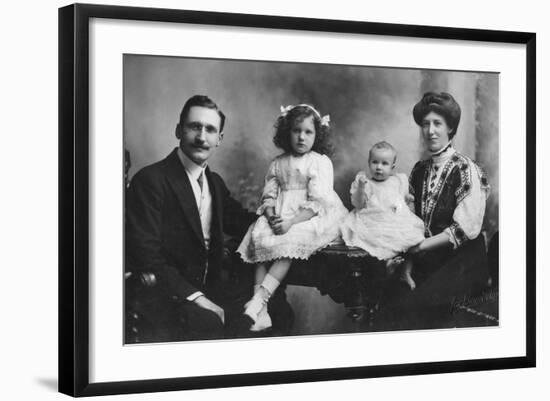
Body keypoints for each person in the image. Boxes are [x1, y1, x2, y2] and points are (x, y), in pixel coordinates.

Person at [125, 95, 260, 342]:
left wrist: (295, 220)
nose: (201, 137)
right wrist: (198, 299)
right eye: (194, 127)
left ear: (219, 139)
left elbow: (243, 222)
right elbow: (145, 254)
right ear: (178, 130)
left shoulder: (215, 184)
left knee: (271, 310)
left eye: (210, 130)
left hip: (213, 290)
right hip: (167, 296)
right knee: (208, 323)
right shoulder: (151, 180)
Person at [381, 91, 491, 329]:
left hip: (462, 262)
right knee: (387, 301)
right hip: (427, 260)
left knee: (417, 311)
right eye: (425, 124)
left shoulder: (466, 169)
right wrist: (407, 265)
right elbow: (412, 225)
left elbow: (465, 230)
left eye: (437, 124)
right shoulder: (419, 170)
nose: (430, 131)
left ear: (450, 128)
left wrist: (418, 248)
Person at [237, 104, 348, 331]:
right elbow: (268, 197)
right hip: (280, 215)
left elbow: (318, 202)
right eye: (296, 130)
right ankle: (262, 314)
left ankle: (259, 300)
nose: (301, 137)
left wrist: (290, 223)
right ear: (287, 132)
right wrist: (271, 217)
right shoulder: (278, 163)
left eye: (308, 132)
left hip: (309, 217)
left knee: (288, 242)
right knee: (259, 238)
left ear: (317, 135)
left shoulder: (319, 162)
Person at [340, 141, 425, 289]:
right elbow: (358, 204)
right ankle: (388, 265)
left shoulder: (397, 181)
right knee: (378, 240)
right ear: (369, 163)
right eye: (375, 162)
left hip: (393, 219)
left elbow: (399, 201)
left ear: (392, 167)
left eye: (384, 163)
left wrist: (407, 199)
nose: (379, 167)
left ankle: (406, 271)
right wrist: (361, 187)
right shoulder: (366, 182)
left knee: (413, 236)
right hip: (372, 219)